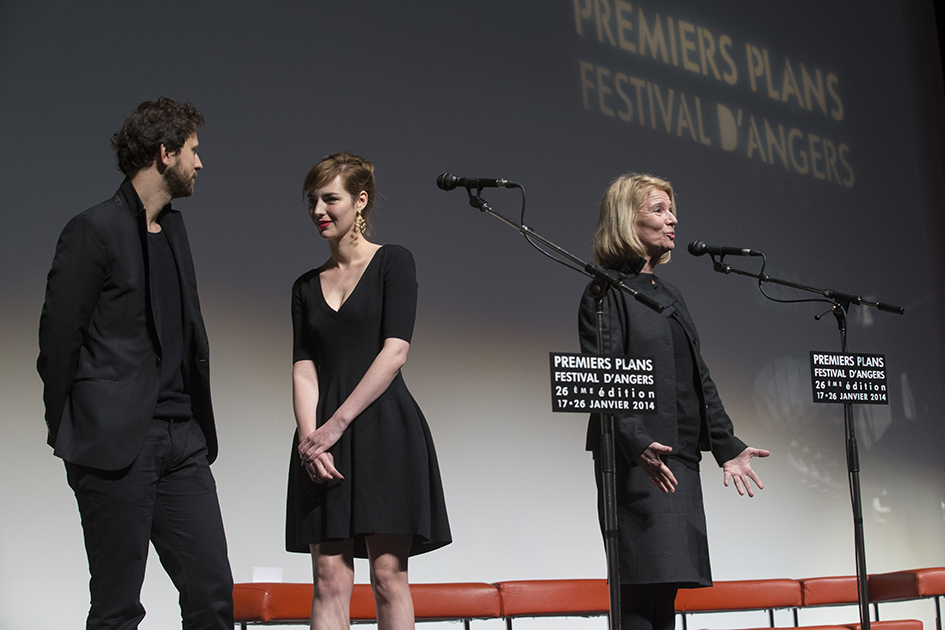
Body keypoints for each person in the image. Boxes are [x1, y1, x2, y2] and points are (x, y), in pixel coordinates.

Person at [37, 98, 233, 629]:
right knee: (118, 608)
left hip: (182, 439)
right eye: (193, 151)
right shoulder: (93, 229)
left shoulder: (174, 231)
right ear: (165, 153)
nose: (200, 163)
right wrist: (74, 429)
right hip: (116, 444)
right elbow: (57, 342)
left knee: (213, 596)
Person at [578, 173, 769, 630]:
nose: (673, 219)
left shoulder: (670, 294)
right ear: (628, 218)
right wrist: (636, 441)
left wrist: (727, 445)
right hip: (639, 459)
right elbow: (603, 379)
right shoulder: (605, 291)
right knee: (640, 588)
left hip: (678, 458)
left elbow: (698, 375)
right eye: (659, 209)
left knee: (666, 589)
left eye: (671, 209)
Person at [285, 152, 451, 630]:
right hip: (321, 442)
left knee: (387, 576)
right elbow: (303, 367)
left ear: (360, 201)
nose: (318, 209)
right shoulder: (304, 286)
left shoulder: (393, 261)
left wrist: (334, 425)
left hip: (383, 430)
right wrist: (309, 437)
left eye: (329, 198)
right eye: (312, 200)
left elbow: (395, 351)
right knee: (329, 579)